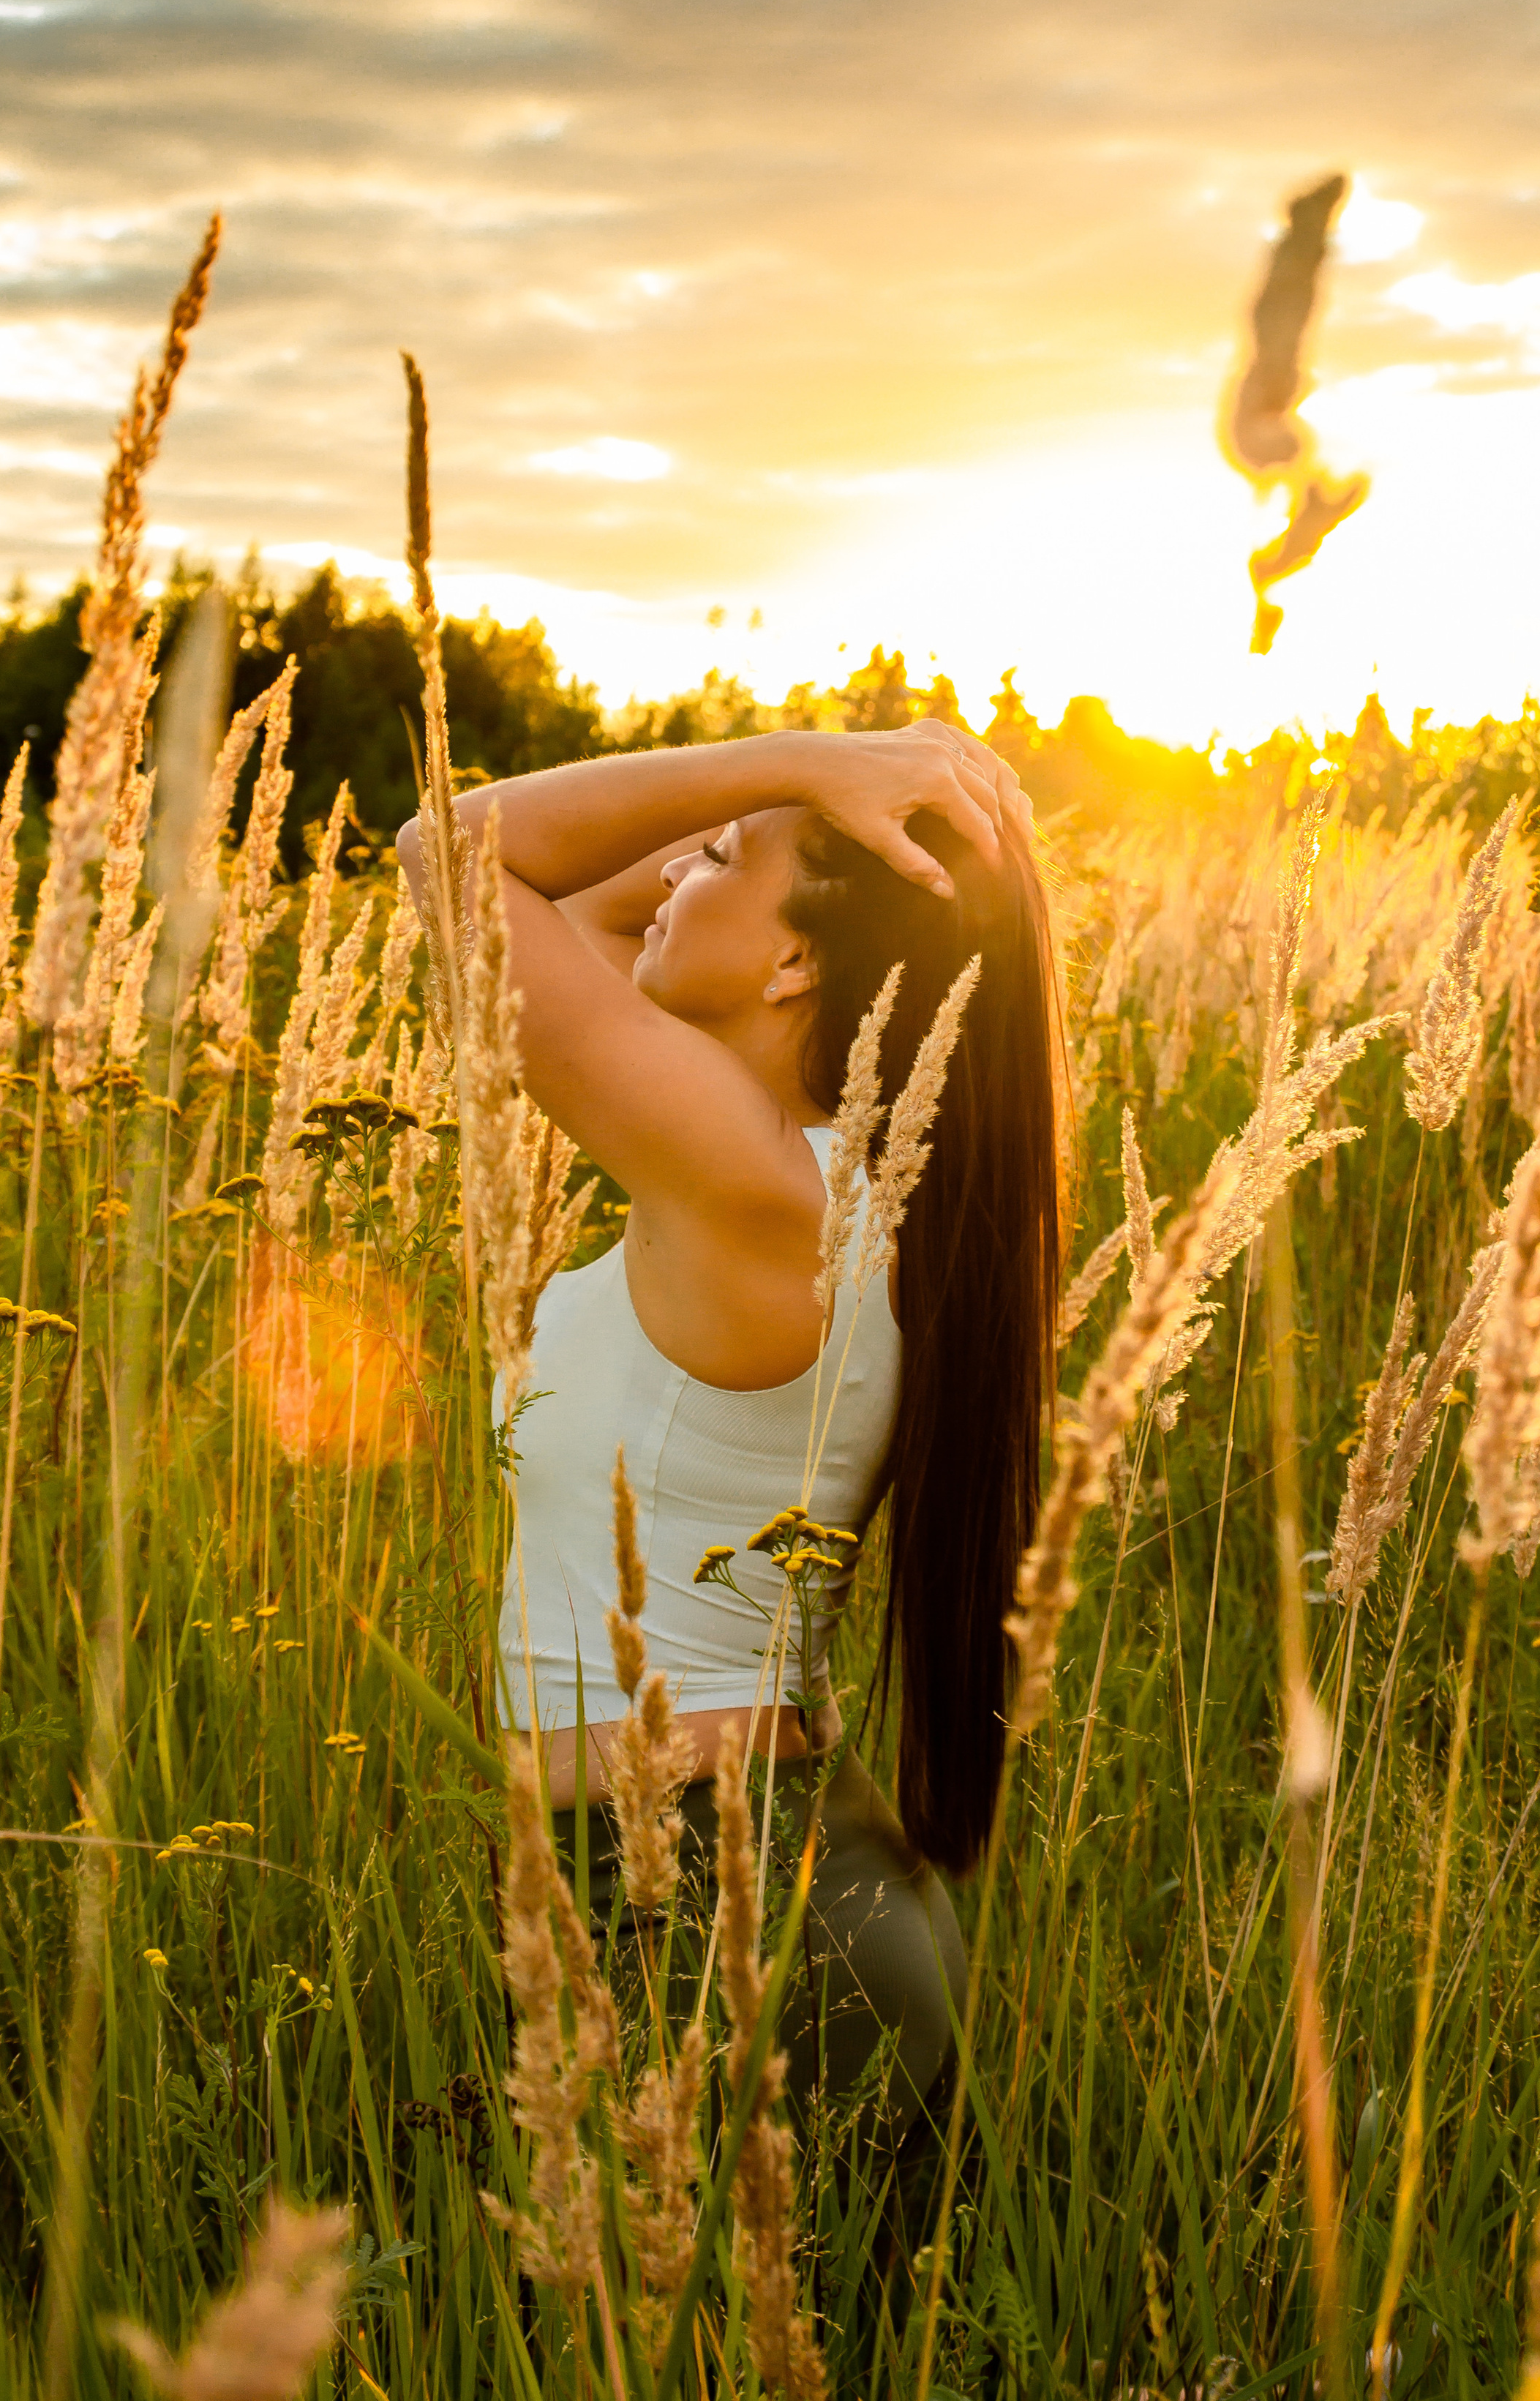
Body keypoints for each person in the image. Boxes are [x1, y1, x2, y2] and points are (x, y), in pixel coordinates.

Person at [399, 722, 1065, 2144]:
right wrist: (778, 818)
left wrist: (793, 762)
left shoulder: (765, 1192)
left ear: (792, 967)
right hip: (761, 1870)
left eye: (710, 868)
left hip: (717, 1892)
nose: (669, 876)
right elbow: (569, 912)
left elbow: (451, 857)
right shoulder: (835, 1185)